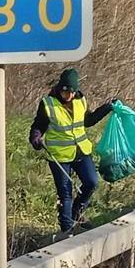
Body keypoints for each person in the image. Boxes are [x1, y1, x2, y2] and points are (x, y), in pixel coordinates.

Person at [28, 67, 115, 236]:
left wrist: (106, 108)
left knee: (91, 182)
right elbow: (38, 125)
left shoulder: (80, 101)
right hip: (59, 156)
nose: (68, 95)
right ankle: (67, 229)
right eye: (65, 91)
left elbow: (87, 121)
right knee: (65, 192)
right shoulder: (48, 103)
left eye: (72, 92)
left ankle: (78, 212)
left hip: (81, 151)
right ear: (60, 88)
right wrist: (36, 137)